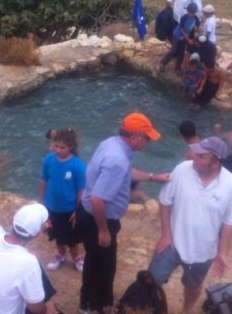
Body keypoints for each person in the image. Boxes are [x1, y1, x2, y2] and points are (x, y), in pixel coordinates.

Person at [77, 112, 162, 314]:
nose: (148, 142)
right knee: (103, 268)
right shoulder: (118, 160)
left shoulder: (111, 143)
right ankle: (92, 307)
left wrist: (154, 177)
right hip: (99, 219)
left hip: (87, 213)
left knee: (95, 261)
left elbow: (125, 172)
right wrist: (103, 231)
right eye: (147, 137)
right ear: (135, 137)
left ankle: (89, 303)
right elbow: (98, 199)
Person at [149, 137, 232, 314]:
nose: (193, 156)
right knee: (152, 279)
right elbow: (165, 201)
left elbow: (230, 222)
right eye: (195, 152)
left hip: (203, 251)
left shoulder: (231, 186)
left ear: (215, 163)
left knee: (193, 285)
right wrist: (166, 234)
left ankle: (186, 310)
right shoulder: (182, 169)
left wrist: (222, 253)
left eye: (200, 156)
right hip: (173, 242)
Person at [39, 127, 87, 273]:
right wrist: (41, 201)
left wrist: (78, 210)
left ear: (71, 147)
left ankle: (76, 257)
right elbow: (43, 180)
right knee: (57, 235)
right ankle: (61, 254)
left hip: (69, 209)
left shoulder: (78, 165)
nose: (58, 150)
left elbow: (82, 190)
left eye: (62, 147)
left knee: (71, 238)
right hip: (51, 207)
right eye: (56, 146)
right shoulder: (49, 159)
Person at [160, 3, 200, 74]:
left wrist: (200, 32)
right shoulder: (184, 18)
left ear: (194, 12)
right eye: (190, 12)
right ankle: (163, 63)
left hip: (184, 37)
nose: (191, 13)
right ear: (187, 11)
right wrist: (188, 39)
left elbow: (198, 25)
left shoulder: (195, 18)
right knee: (173, 50)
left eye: (193, 12)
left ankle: (177, 68)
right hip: (177, 35)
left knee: (181, 52)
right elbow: (181, 29)